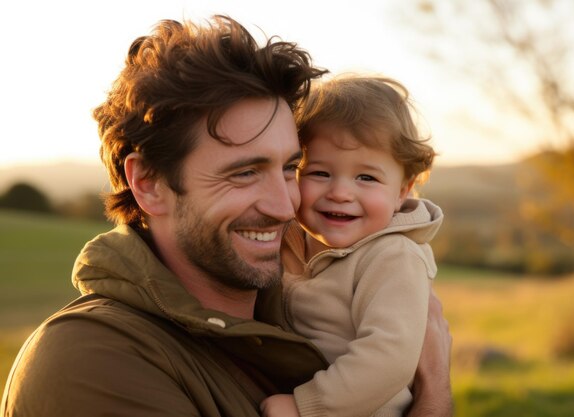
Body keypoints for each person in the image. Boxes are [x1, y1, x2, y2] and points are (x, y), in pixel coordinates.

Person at [1, 16, 452, 417]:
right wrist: (433, 396)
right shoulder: (91, 359)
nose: (284, 205)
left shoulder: (292, 305)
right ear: (149, 183)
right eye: (245, 172)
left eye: (289, 168)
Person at [260, 76, 443, 417]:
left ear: (403, 190)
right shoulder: (289, 240)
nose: (341, 193)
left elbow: (389, 356)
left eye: (366, 178)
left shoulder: (393, 257)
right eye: (319, 173)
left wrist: (304, 407)